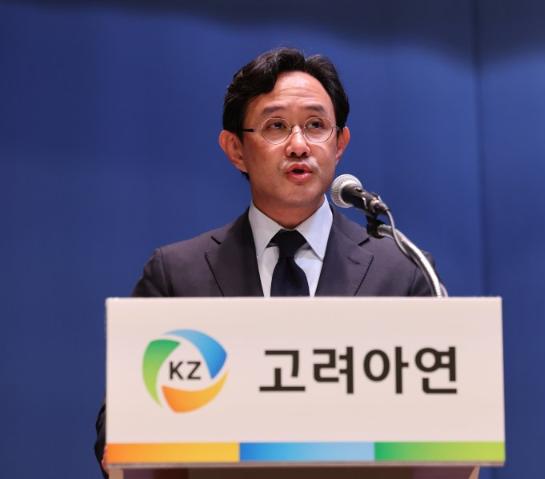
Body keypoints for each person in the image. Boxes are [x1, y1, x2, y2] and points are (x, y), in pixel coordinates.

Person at [94, 47, 440, 475]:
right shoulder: (177, 275)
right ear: (235, 148)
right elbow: (120, 422)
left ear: (340, 144)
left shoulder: (402, 272)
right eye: (276, 126)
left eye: (316, 125)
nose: (299, 145)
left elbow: (441, 422)